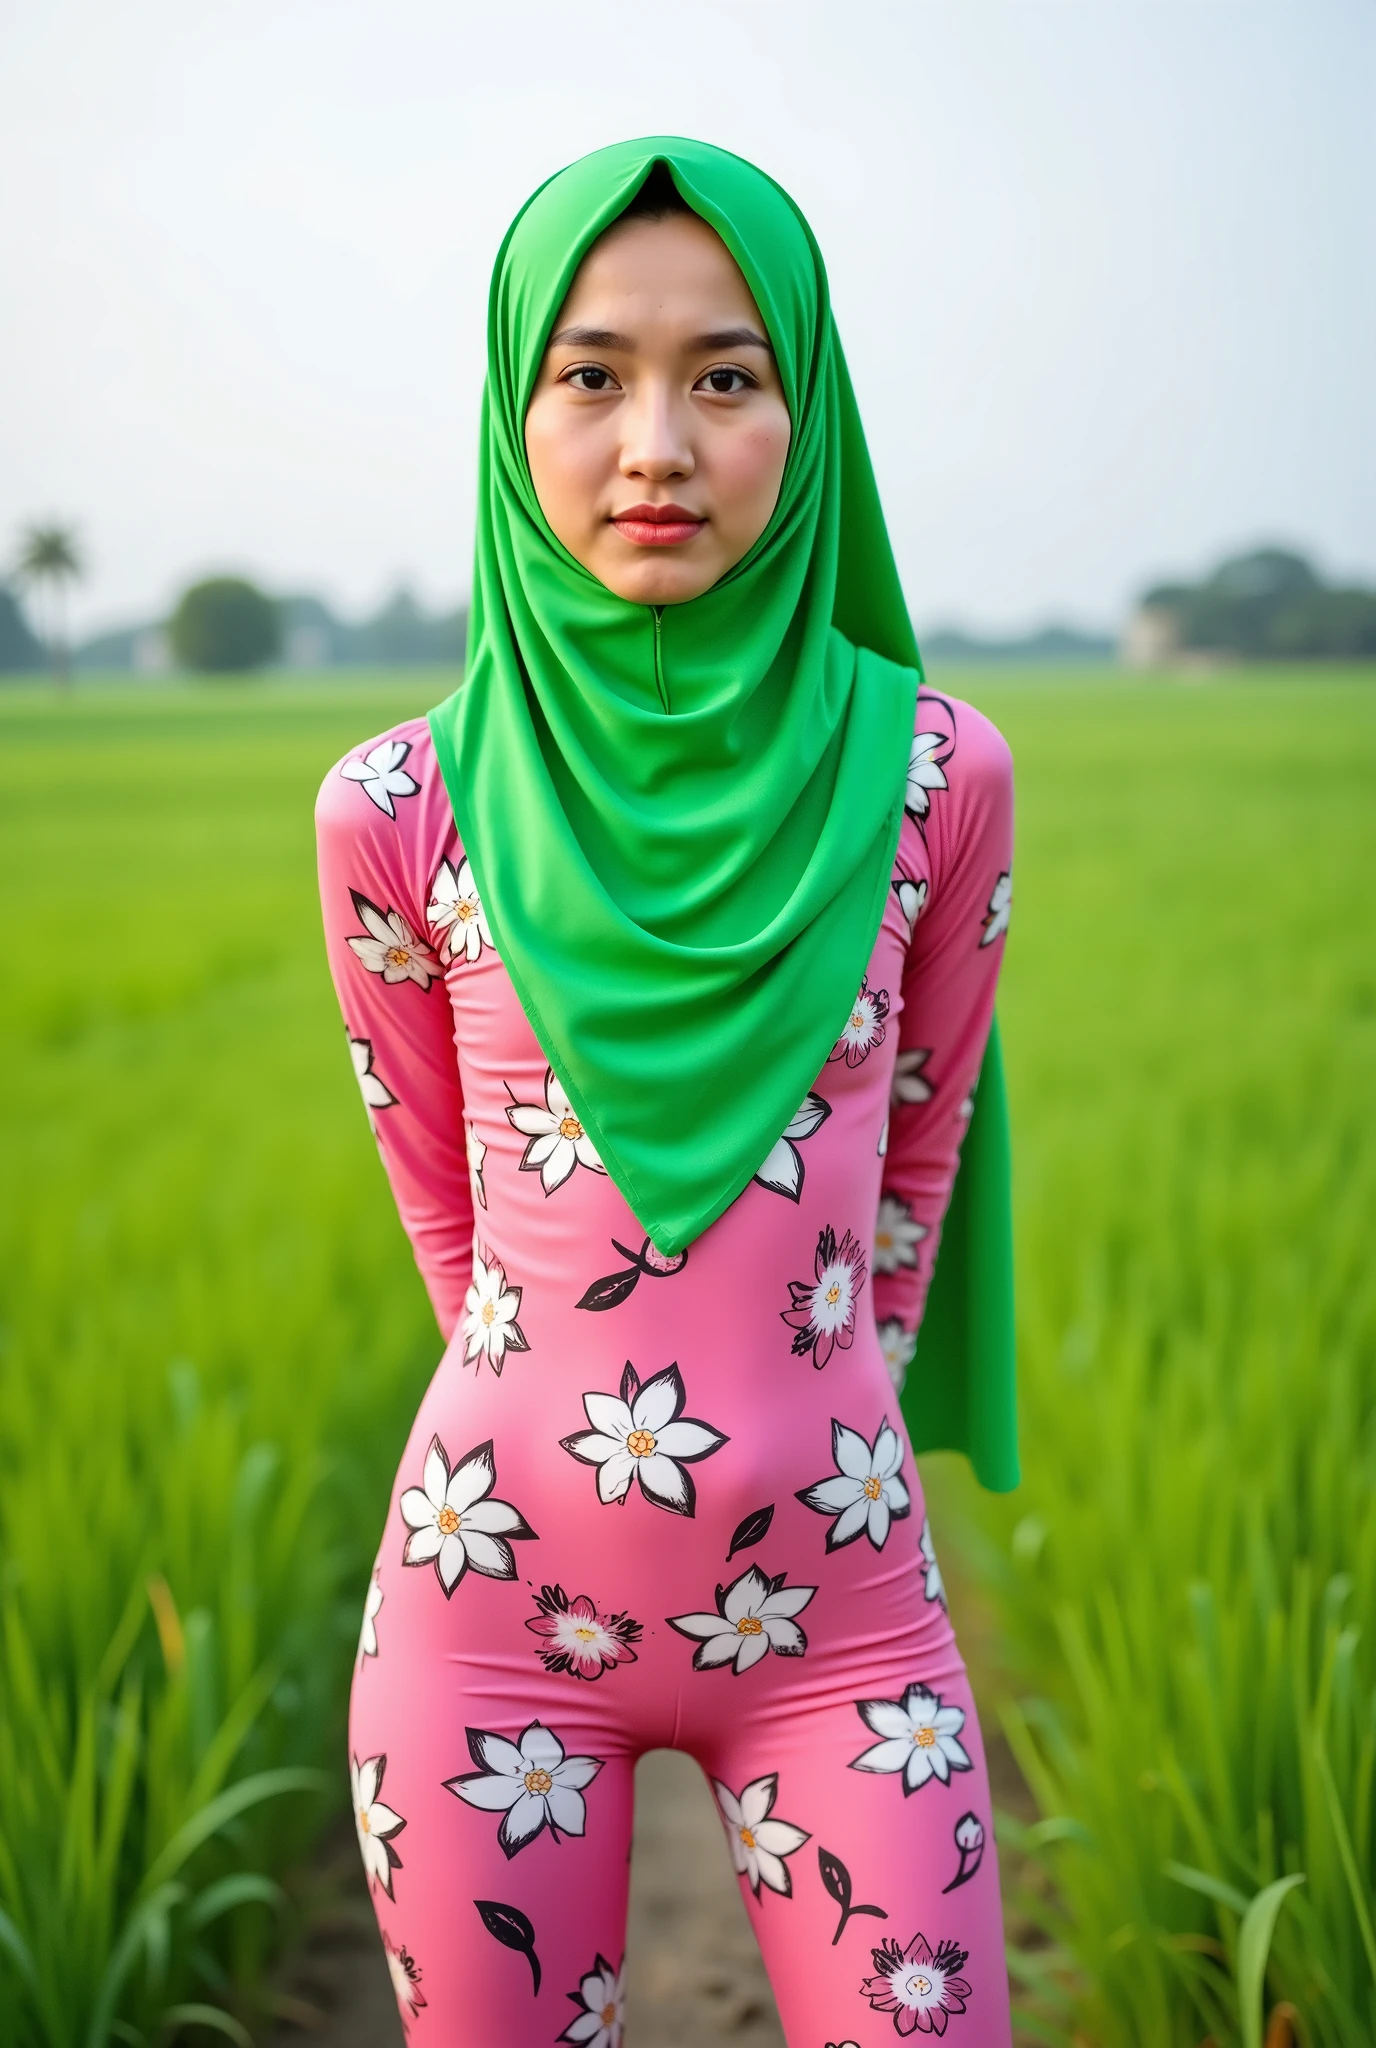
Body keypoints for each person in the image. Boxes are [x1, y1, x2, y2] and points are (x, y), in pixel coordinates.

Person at [317, 136, 1016, 2047]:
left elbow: (918, 1158)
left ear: (808, 407)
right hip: (485, 1626)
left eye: (725, 375)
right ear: (509, 409)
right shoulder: (397, 811)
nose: (657, 445)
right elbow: (445, 1204)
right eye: (591, 373)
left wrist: (808, 1403)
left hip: (847, 1622)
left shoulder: (938, 778)